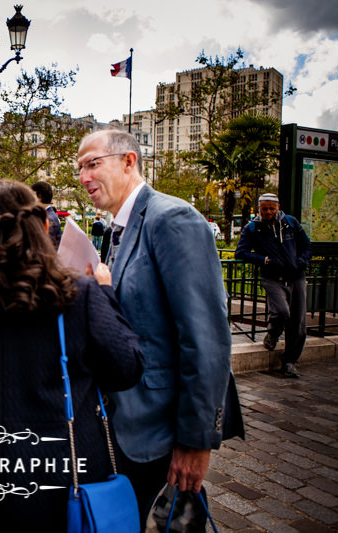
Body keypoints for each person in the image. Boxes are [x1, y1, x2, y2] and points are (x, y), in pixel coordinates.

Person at [0, 180, 142, 530]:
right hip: (65, 480)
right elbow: (127, 369)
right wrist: (106, 292)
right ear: (45, 226)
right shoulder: (82, 293)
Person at [77, 130, 232, 523]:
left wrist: (196, 442)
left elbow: (207, 338)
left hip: (161, 433)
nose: (83, 176)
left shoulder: (172, 218)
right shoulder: (116, 228)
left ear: (129, 161)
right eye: (79, 168)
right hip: (121, 425)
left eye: (93, 164)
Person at [235, 193, 312, 378]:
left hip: (296, 277)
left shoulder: (291, 223)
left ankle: (290, 362)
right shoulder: (253, 228)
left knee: (298, 324)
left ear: (278, 207)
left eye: (271, 208)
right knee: (281, 312)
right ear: (259, 208)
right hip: (272, 277)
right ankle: (272, 334)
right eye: (264, 208)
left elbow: (307, 246)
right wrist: (264, 260)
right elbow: (241, 252)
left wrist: (301, 261)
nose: (268, 212)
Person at [31, 180, 62, 248]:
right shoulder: (49, 215)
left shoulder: (48, 218)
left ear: (39, 196)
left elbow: (46, 247)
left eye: (32, 195)